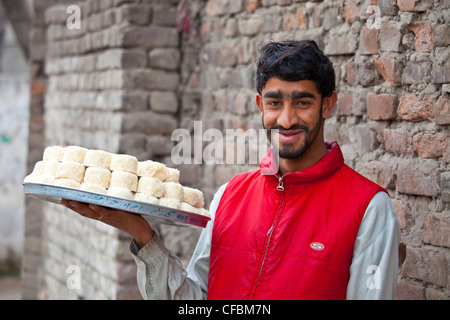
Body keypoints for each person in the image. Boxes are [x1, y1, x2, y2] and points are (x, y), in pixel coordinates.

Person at [62, 40, 400, 300]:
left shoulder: (368, 208)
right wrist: (142, 235)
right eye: (274, 103)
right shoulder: (229, 197)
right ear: (259, 105)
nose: (286, 119)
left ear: (328, 104)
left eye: (302, 102)